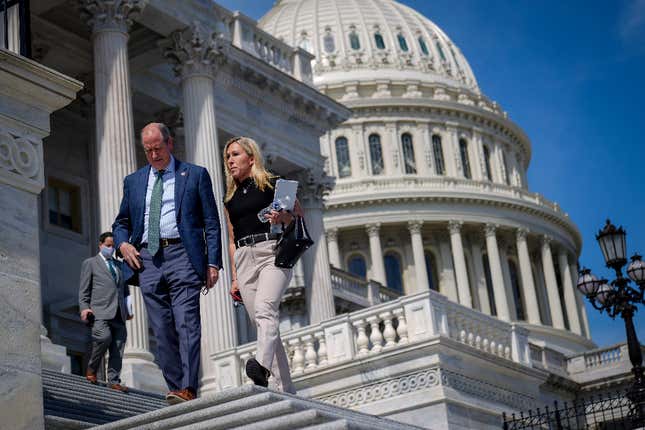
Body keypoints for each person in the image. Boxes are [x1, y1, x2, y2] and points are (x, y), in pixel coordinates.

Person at [112, 122, 222, 404]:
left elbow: (211, 222)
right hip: (147, 259)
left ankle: (188, 387)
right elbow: (121, 222)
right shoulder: (134, 181)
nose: (154, 155)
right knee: (161, 328)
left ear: (170, 144)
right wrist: (123, 244)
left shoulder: (195, 175)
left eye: (158, 149)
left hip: (182, 254)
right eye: (148, 150)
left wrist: (213, 263)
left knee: (186, 322)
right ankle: (175, 388)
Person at [223, 136, 300, 394]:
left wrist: (283, 215)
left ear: (251, 158)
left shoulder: (274, 183)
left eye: (235, 155)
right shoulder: (230, 198)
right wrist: (234, 277)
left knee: (266, 311)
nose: (230, 161)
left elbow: (298, 215)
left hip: (272, 252)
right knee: (262, 324)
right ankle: (286, 389)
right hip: (244, 257)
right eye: (228, 157)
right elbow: (232, 240)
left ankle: (261, 369)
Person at [79, 231, 132, 392]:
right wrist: (84, 307)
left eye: (113, 246)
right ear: (100, 245)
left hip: (119, 313)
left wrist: (128, 310)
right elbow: (84, 289)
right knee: (103, 337)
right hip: (99, 310)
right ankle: (92, 368)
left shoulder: (119, 265)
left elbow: (125, 290)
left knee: (118, 347)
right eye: (108, 245)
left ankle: (114, 380)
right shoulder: (90, 263)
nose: (110, 248)